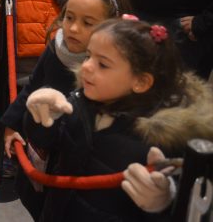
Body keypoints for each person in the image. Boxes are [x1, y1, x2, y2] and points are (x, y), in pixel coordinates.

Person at [24, 17, 213, 220]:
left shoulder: (163, 142)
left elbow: (188, 207)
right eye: (88, 56)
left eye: (103, 64)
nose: (86, 66)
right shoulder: (81, 104)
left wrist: (162, 203)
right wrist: (42, 118)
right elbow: (48, 144)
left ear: (141, 82)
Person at [0, 0, 132, 219]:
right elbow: (33, 85)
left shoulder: (111, 73)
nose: (72, 28)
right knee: (37, 202)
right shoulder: (56, 48)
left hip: (74, 163)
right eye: (69, 18)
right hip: (41, 146)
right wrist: (11, 124)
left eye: (87, 23)